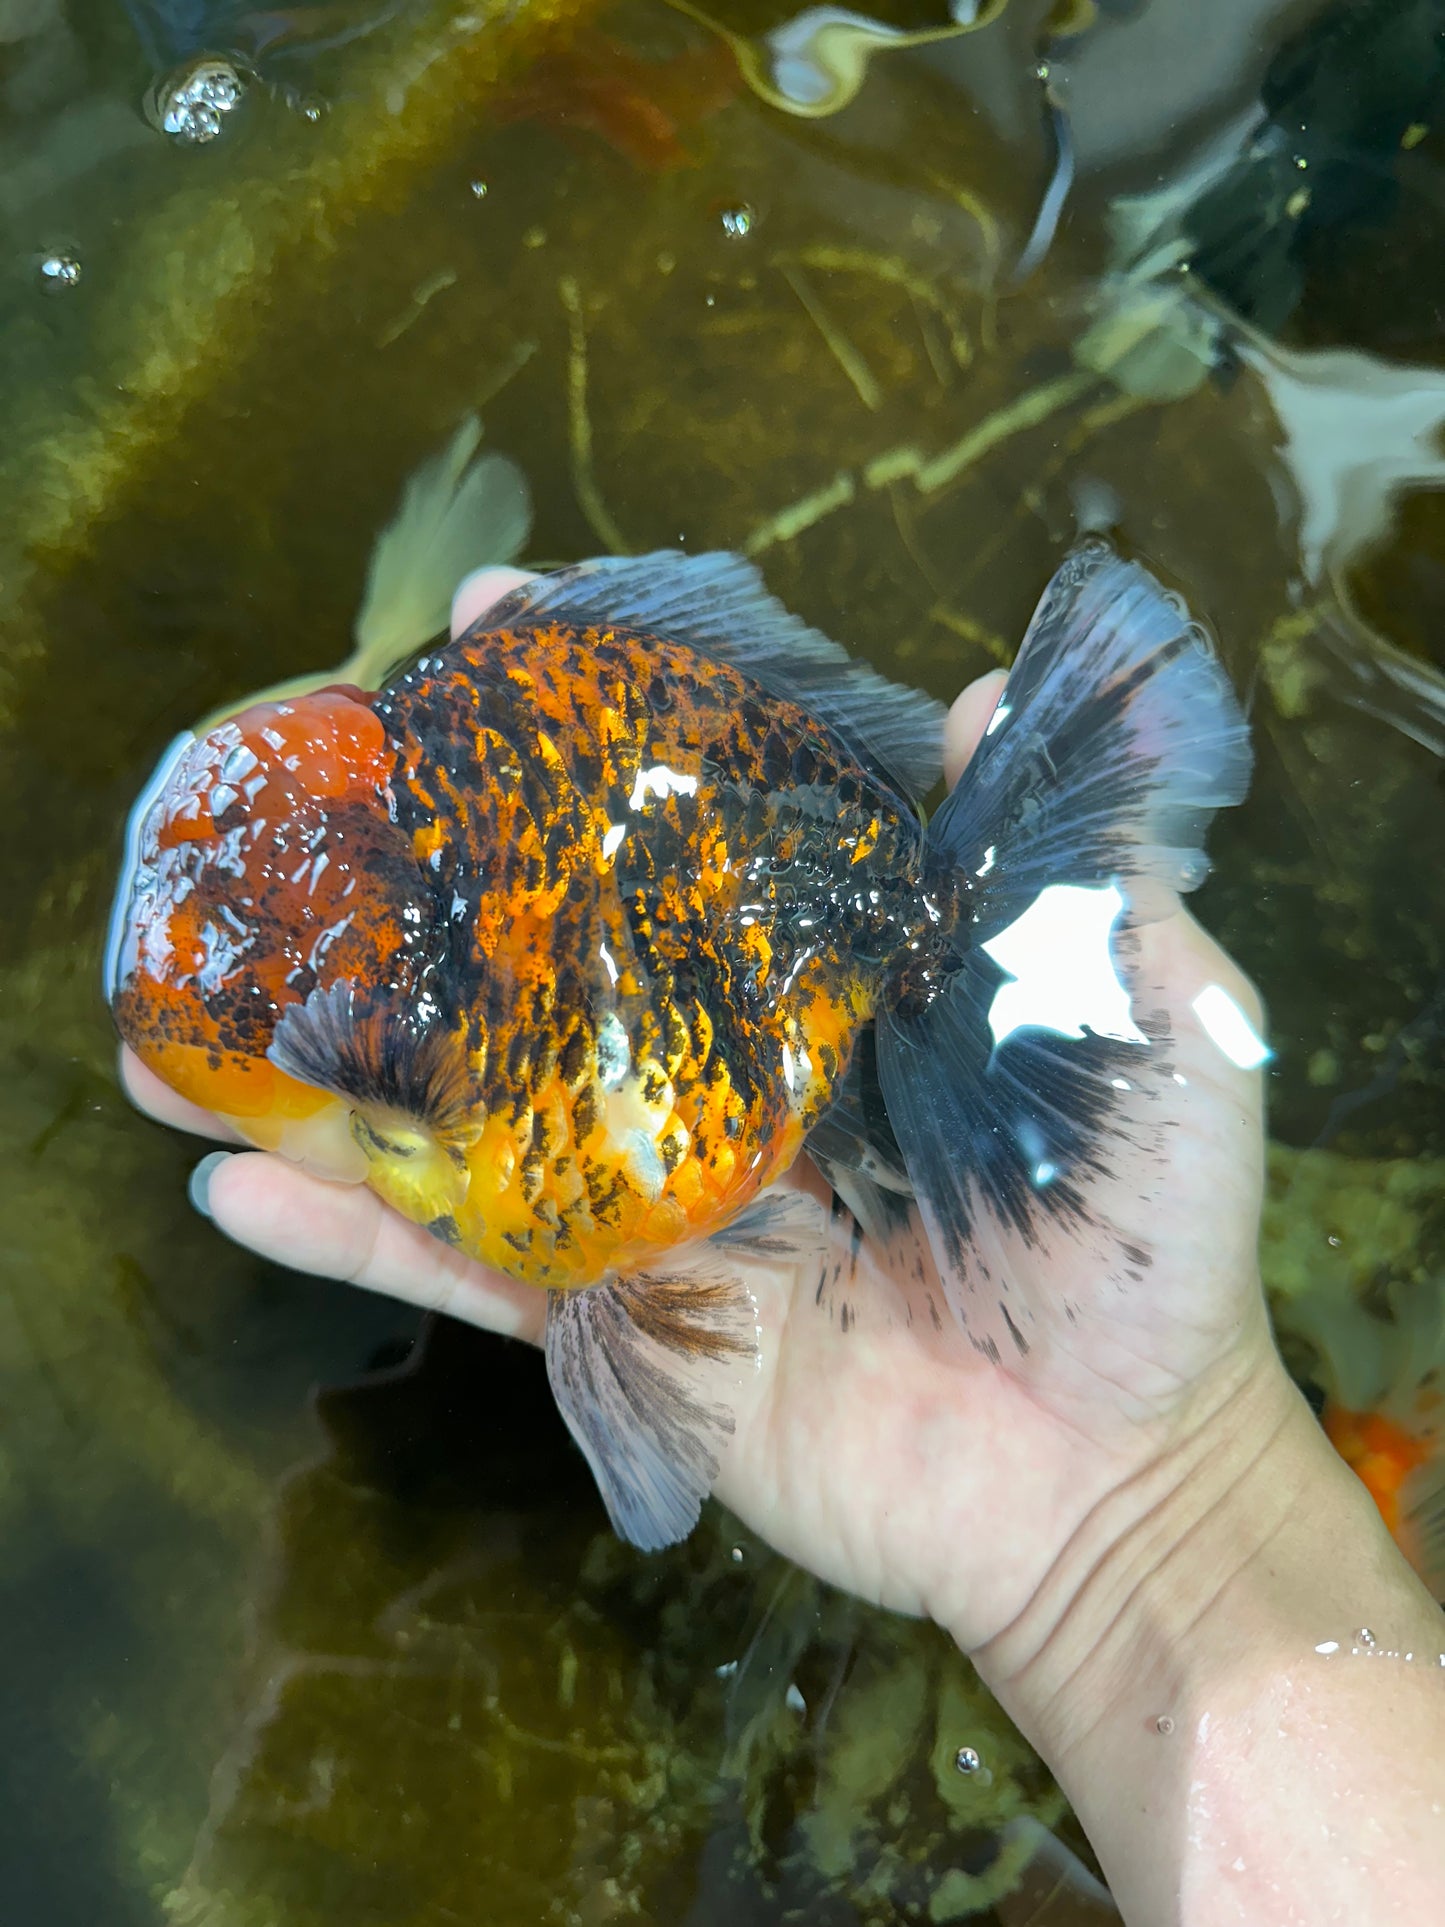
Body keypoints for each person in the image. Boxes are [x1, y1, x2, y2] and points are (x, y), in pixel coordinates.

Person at [121, 566, 1445, 1924]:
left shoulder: (400, 1049)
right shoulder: (406, 958)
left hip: (730, 1047)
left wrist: (1154, 1485)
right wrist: (1154, 1505)